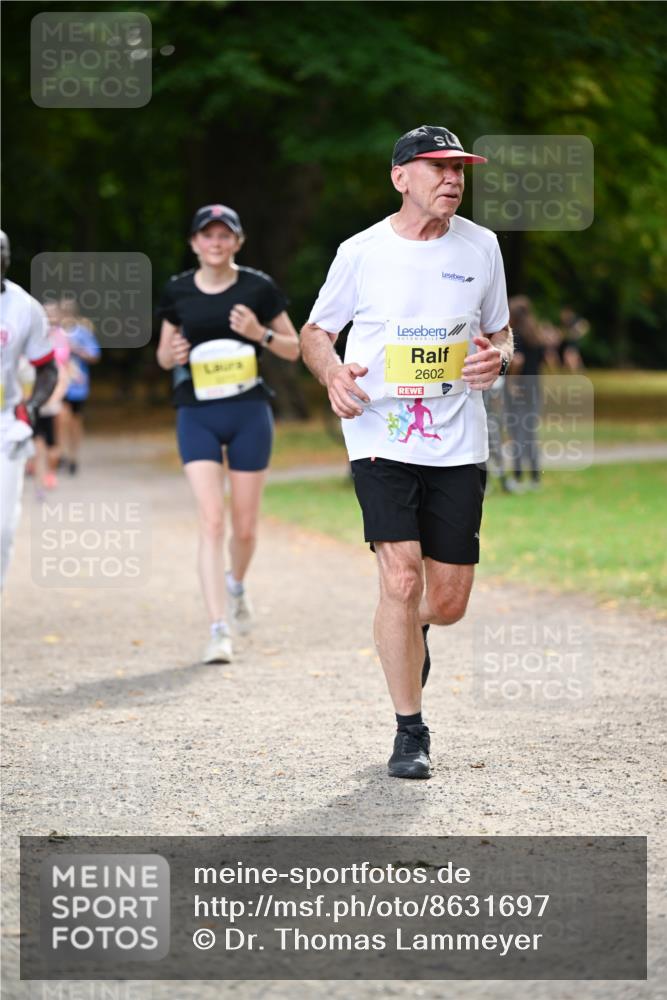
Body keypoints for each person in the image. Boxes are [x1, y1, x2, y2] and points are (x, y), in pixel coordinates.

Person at [301, 126, 512, 780]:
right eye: (437, 168)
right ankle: (409, 731)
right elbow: (315, 332)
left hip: (456, 438)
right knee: (399, 576)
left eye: (459, 170)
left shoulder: (481, 246)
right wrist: (331, 374)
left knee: (444, 602)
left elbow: (500, 335)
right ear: (400, 177)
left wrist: (497, 360)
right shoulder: (360, 251)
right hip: (378, 432)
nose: (452, 179)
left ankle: (408, 626)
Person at [156, 204, 300, 664]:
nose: (215, 243)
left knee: (244, 526)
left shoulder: (258, 287)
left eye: (224, 236)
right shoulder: (177, 291)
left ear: (237, 242)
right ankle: (218, 629)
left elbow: (295, 349)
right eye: (207, 235)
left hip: (248, 412)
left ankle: (235, 583)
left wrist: (260, 334)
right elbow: (163, 355)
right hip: (196, 412)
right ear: (194, 243)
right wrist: (174, 351)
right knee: (211, 521)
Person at [0, 230, 58, 587]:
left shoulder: (24, 308)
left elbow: (48, 367)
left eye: (2, 251)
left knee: (3, 527)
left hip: (6, 425)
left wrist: (33, 405)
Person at [57, 296, 101, 475]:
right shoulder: (54, 332)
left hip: (78, 384)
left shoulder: (83, 332)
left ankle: (73, 456)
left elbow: (95, 356)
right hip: (59, 384)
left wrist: (76, 350)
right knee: (62, 418)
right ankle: (62, 453)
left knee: (75, 421)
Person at [505, 295, 545, 490]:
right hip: (535, 387)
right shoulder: (536, 335)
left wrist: (511, 382)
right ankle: (535, 477)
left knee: (517, 433)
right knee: (530, 433)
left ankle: (518, 477)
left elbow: (517, 360)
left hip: (519, 389)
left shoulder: (517, 335)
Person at [33, 300, 71, 498]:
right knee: (37, 445)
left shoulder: (61, 337)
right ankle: (39, 483)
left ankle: (51, 471)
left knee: (52, 445)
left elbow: (64, 371)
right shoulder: (33, 337)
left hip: (53, 397)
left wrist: (54, 397)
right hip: (34, 399)